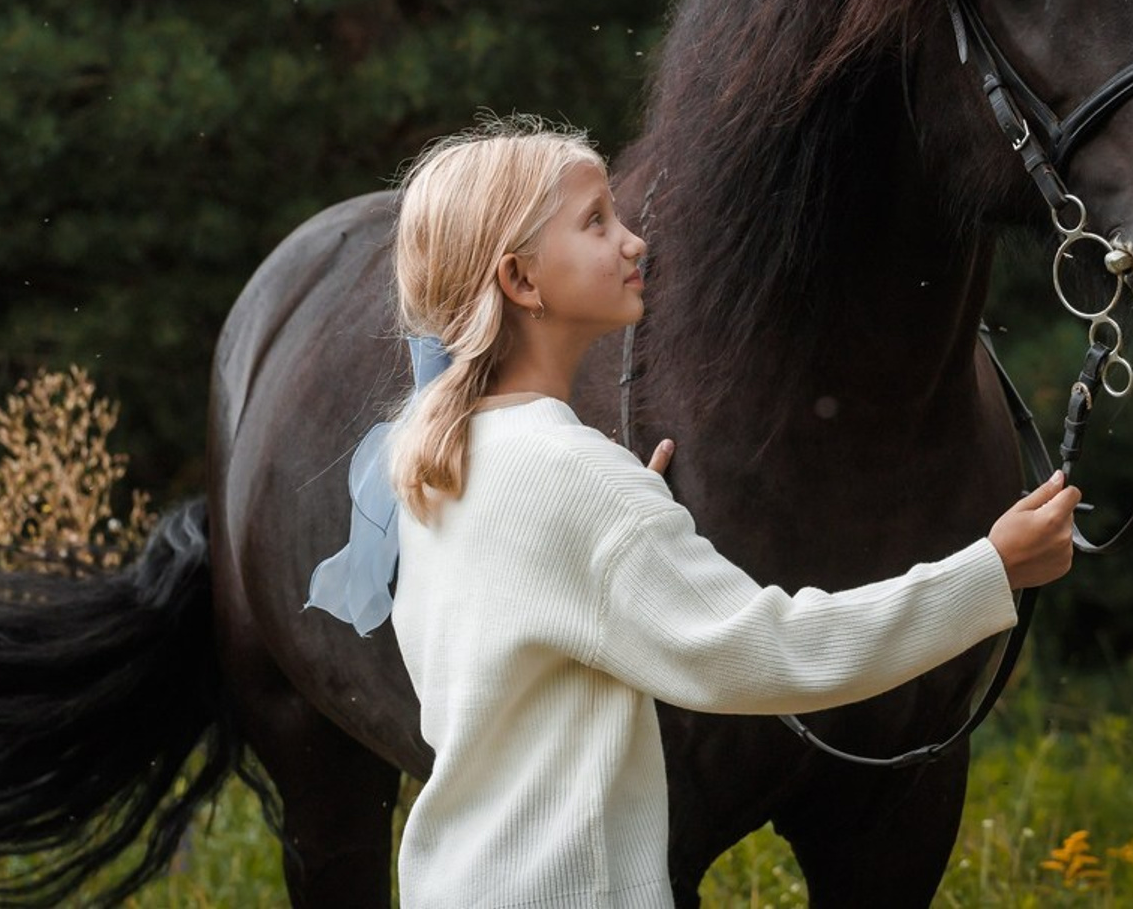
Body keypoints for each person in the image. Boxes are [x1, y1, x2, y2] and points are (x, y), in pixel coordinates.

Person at [325, 117, 1080, 909]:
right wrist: (991, 570)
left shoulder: (437, 462)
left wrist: (629, 511)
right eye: (596, 223)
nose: (635, 242)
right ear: (521, 281)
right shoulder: (573, 478)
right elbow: (770, 652)